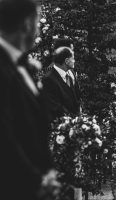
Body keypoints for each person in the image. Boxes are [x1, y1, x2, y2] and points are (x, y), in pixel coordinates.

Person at [0, 0, 59, 199]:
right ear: (26, 24)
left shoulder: (23, 65)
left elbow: (37, 123)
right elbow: (5, 137)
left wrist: (49, 171)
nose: (39, 30)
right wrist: (37, 181)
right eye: (38, 22)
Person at [42, 47, 80, 121]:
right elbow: (54, 106)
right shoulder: (48, 79)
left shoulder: (71, 72)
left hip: (76, 122)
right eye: (73, 58)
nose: (74, 61)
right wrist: (72, 121)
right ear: (66, 61)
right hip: (61, 125)